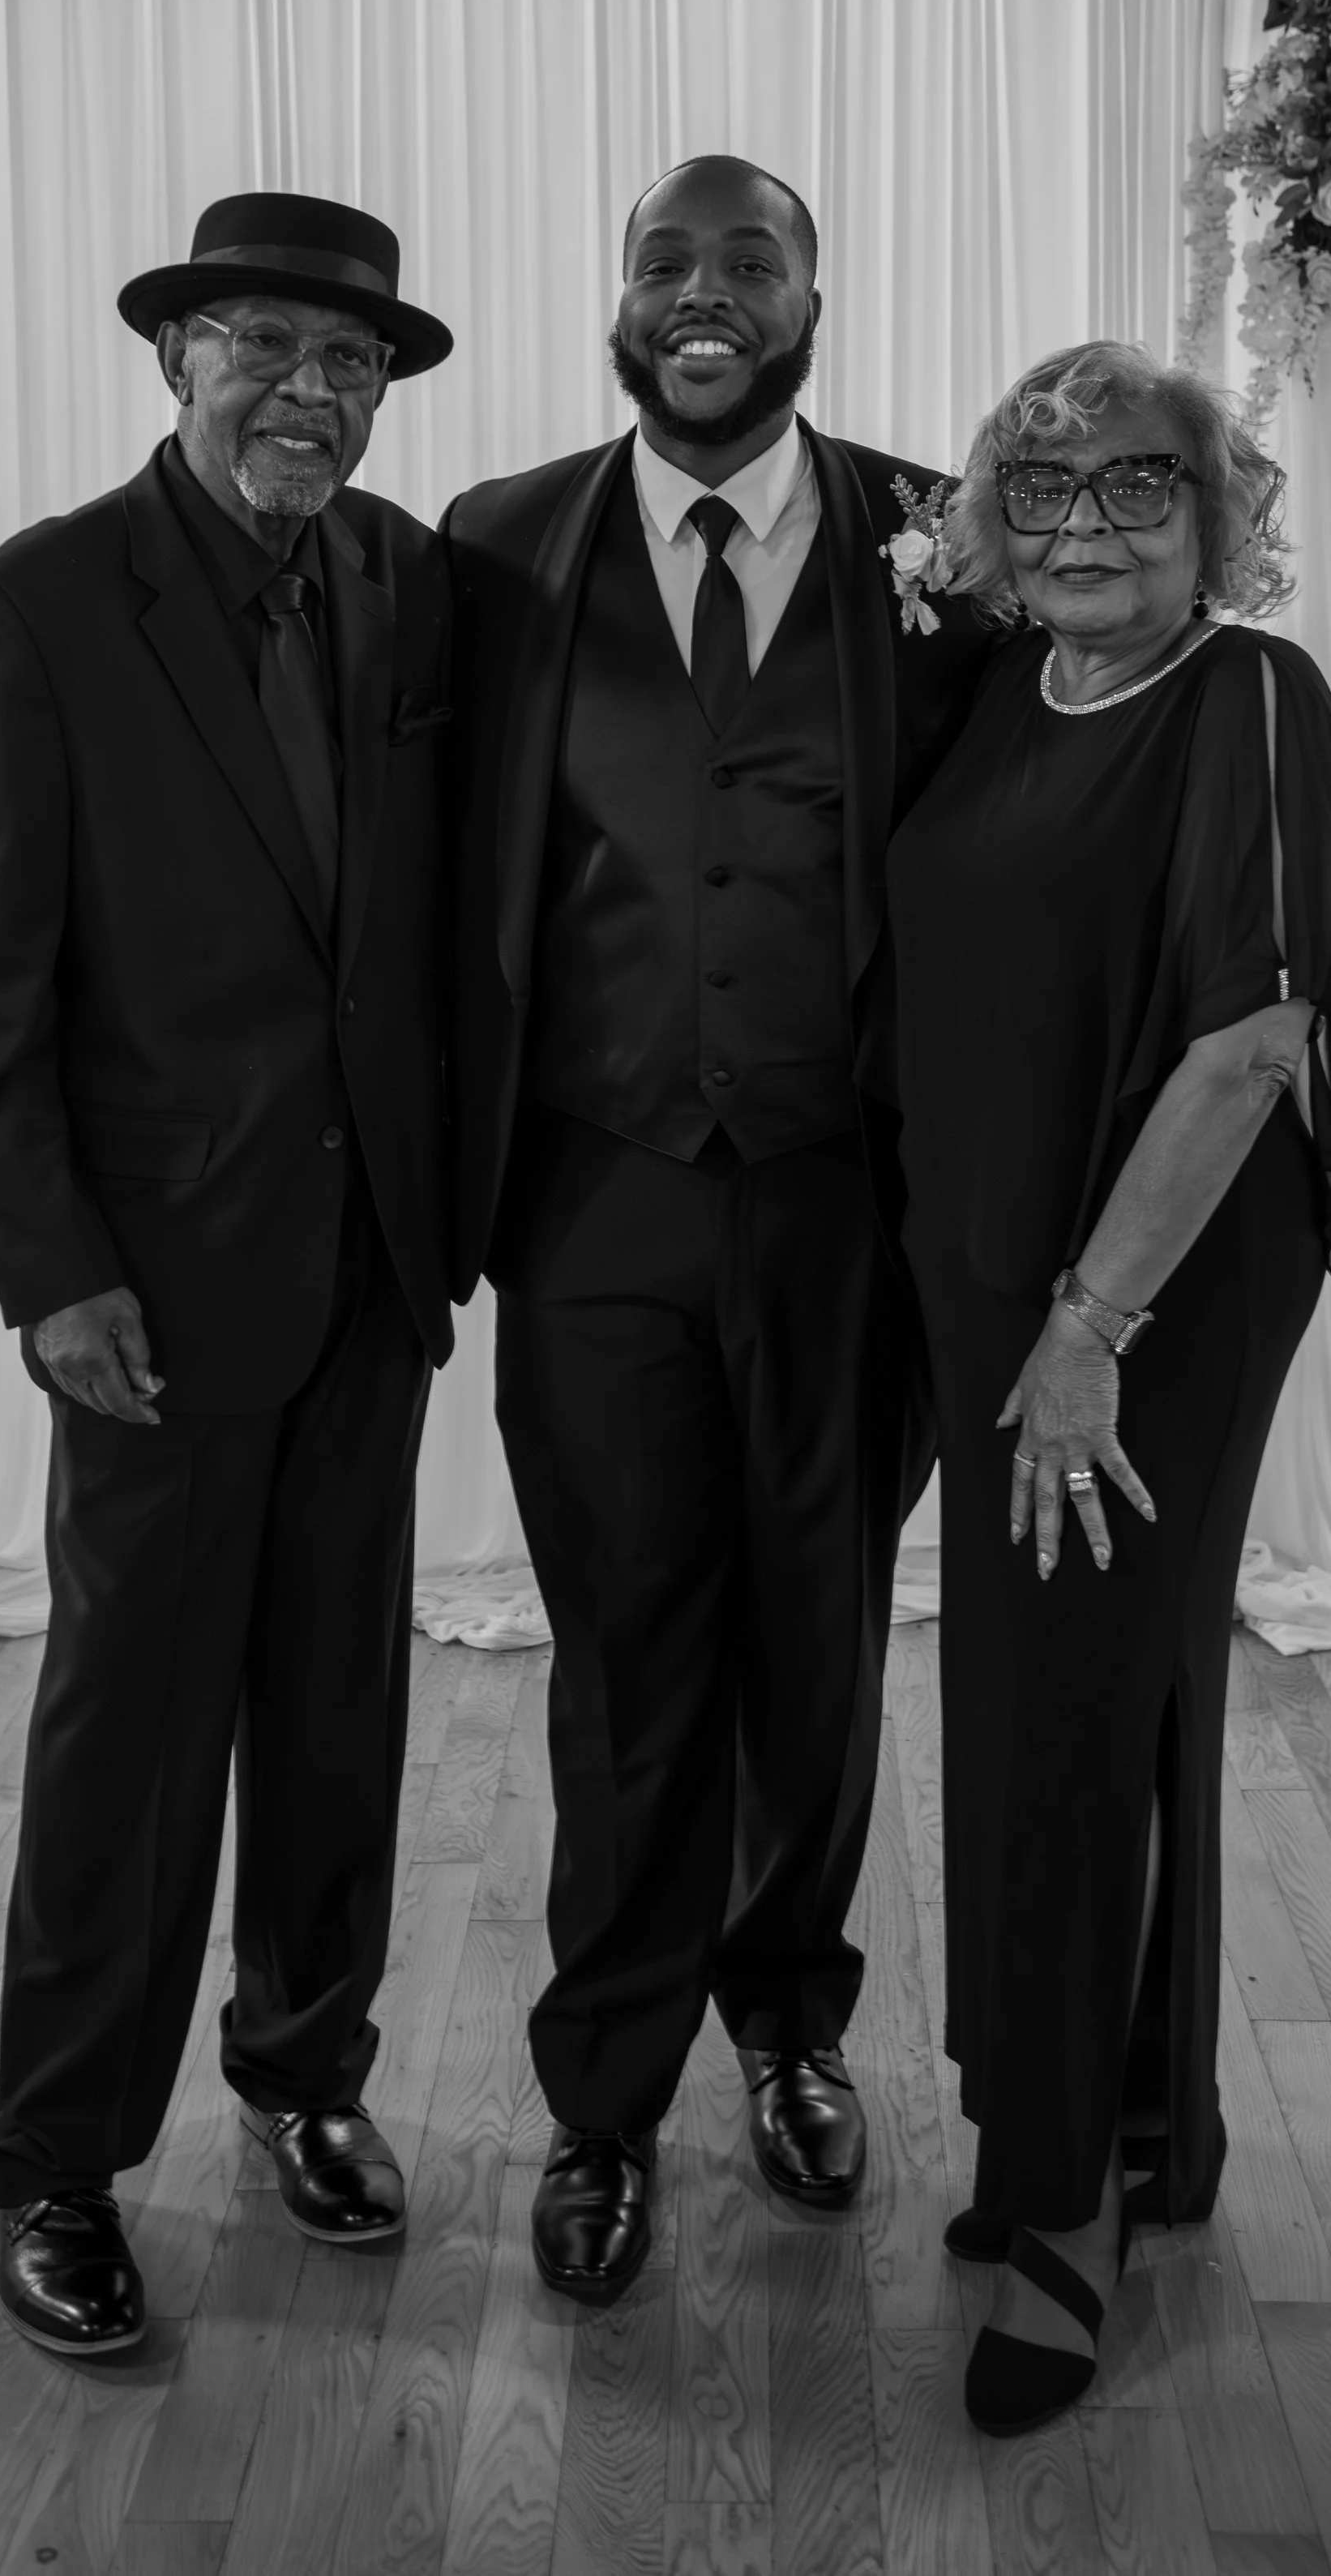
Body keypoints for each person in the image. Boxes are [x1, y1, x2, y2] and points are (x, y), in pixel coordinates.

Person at [0, 193, 456, 2356]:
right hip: (148, 1289)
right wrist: (51, 1273)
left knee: (341, 1713)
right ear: (175, 359)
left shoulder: (409, 584)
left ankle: (305, 2076)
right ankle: (55, 2158)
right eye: (263, 347)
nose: (308, 395)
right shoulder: (41, 605)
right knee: (127, 1739)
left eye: (351, 364)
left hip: (366, 1278)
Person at [443, 154, 990, 2301]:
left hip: (848, 1206)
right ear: (615, 297)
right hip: (589, 1202)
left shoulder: (936, 536)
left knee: (817, 1641)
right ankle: (599, 2099)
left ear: (811, 296)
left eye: (743, 259)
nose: (700, 291)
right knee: (627, 1661)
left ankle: (790, 2028)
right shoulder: (494, 549)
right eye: (663, 258)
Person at [885, 340, 1331, 2433]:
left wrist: (1086, 1332)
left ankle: (1052, 2211)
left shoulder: (1247, 698)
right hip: (988, 1263)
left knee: (1057, 1719)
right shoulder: (998, 696)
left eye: (1133, 486)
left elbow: (1251, 1039)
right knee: (1085, 1695)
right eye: (1039, 490)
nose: (1084, 521)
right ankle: (1139, 2127)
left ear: (1213, 514)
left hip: (1142, 1286)